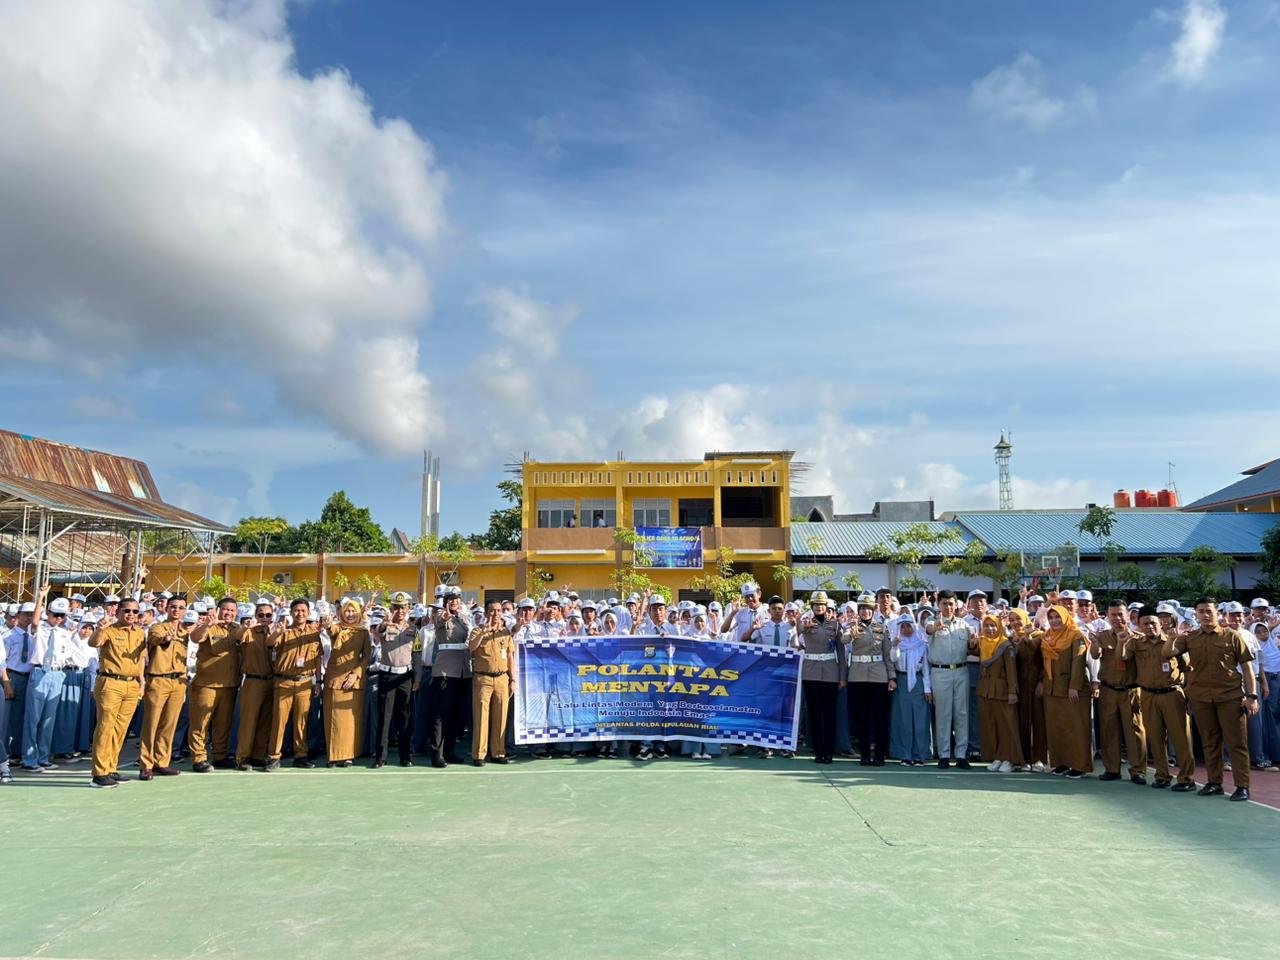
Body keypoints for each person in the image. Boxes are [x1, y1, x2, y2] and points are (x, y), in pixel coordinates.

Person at [1172, 598, 1259, 801]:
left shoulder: (1232, 636)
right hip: (1201, 698)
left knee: (1236, 743)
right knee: (1210, 742)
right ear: (1196, 614)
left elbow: (1247, 668)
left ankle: (1242, 786)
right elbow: (1168, 653)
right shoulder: (1190, 638)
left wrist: (1252, 696)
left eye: (1209, 611)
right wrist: (1172, 637)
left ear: (1217, 613)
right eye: (1200, 611)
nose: (1205, 614)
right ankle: (1214, 782)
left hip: (1230, 696)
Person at [1132, 605, 1196, 791]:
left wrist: (1189, 693)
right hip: (1148, 694)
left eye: (1153, 623)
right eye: (1145, 624)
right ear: (1139, 625)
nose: (1150, 627)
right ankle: (1162, 775)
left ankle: (1186, 778)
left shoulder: (1176, 641)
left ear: (1160, 623)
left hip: (1172, 693)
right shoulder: (1137, 644)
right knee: (1156, 737)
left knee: (1181, 737)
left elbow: (1188, 669)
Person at [87, 598, 147, 787]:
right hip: (111, 682)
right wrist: (100, 628)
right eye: (127, 610)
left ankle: (111, 767)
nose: (131, 614)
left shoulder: (139, 633)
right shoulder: (109, 630)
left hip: (131, 684)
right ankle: (99, 772)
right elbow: (93, 643)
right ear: (118, 612)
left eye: (135, 611)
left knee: (121, 729)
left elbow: (140, 660)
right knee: (105, 727)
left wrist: (142, 681)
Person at [1090, 599, 1148, 785]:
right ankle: (1112, 769)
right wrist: (1093, 643)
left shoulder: (1138, 637)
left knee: (1135, 731)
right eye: (1112, 615)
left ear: (1128, 616)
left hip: (1131, 690)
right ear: (1107, 616)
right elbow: (1094, 655)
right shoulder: (1102, 636)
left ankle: (1138, 770)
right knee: (1109, 730)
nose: (1116, 618)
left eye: (1120, 614)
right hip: (1108, 690)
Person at [264, 599, 326, 771]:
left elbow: (318, 659)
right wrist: (277, 633)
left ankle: (301, 755)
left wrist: (318, 681)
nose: (300, 613)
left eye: (303, 610)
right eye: (296, 610)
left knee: (301, 721)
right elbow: (269, 644)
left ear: (308, 613)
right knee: (279, 721)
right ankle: (273, 756)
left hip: (305, 682)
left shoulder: (314, 633)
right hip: (284, 681)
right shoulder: (284, 631)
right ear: (291, 613)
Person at [187, 596, 244, 772]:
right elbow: (195, 638)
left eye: (232, 611)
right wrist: (206, 625)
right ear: (218, 610)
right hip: (207, 684)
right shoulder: (208, 626)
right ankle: (198, 758)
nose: (229, 613)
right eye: (226, 609)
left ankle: (220, 755)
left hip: (229, 684)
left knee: (223, 723)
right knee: (201, 722)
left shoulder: (237, 629)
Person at [138, 596, 191, 780]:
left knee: (169, 724)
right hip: (158, 679)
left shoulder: (186, 630)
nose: (177, 610)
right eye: (173, 607)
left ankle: (162, 761)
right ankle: (146, 764)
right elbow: (155, 639)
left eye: (181, 607)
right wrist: (168, 637)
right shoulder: (158, 627)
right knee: (151, 723)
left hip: (178, 681)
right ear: (167, 608)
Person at [21, 589, 73, 772]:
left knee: (48, 720)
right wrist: (41, 597)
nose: (58, 619)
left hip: (57, 673)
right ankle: (29, 758)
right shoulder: (39, 628)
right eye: (55, 615)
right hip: (40, 672)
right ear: (48, 614)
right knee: (33, 718)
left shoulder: (65, 633)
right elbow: (34, 622)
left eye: (62, 616)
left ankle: (43, 757)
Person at [1038, 605, 1093, 779]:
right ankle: (1060, 763)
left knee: (1076, 728)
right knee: (1056, 728)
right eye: (1051, 617)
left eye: (1058, 617)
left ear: (1066, 618)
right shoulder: (1047, 637)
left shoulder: (1076, 636)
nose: (1054, 621)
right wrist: (1041, 682)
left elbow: (1079, 662)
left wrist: (1074, 686)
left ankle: (1079, 765)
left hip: (1072, 690)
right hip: (1052, 690)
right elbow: (1042, 662)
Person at [370, 591, 420, 768]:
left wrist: (417, 678)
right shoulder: (385, 626)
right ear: (391, 608)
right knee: (385, 717)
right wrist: (384, 624)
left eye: (403, 607)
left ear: (408, 609)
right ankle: (380, 757)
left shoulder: (413, 629)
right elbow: (378, 633)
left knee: (405, 718)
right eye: (396, 607)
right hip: (387, 676)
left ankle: (405, 756)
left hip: (405, 677)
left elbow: (417, 655)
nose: (400, 611)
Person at [925, 591, 974, 769]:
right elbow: (928, 629)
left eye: (951, 603)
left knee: (961, 713)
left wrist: (975, 641)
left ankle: (961, 754)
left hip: (961, 670)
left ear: (956, 605)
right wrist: (936, 627)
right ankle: (944, 754)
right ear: (939, 604)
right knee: (943, 714)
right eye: (944, 603)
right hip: (941, 672)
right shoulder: (932, 621)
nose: (948, 607)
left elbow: (973, 644)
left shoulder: (964, 625)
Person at [844, 594, 893, 766]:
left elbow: (887, 654)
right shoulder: (852, 626)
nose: (865, 611)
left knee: (879, 717)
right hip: (858, 676)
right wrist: (850, 633)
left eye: (868, 609)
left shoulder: (881, 628)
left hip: (878, 676)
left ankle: (879, 754)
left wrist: (891, 677)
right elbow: (844, 640)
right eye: (862, 608)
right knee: (861, 718)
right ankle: (864, 754)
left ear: (873, 610)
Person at [324, 597, 372, 768]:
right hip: (334, 679)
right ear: (342, 613)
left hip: (353, 681)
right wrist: (327, 622)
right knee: (332, 719)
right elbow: (330, 629)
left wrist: (355, 674)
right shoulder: (337, 628)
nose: (350, 614)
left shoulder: (363, 632)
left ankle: (348, 755)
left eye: (353, 611)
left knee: (351, 721)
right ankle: (333, 756)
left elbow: (366, 657)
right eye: (347, 611)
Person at [427, 586, 473, 767]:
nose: (454, 601)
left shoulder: (462, 618)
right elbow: (439, 621)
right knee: (441, 714)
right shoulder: (439, 614)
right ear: (445, 601)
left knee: (455, 714)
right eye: (450, 598)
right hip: (446, 670)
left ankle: (450, 750)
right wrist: (444, 615)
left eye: (457, 598)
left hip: (463, 670)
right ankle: (436, 753)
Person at [798, 591, 845, 765]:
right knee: (814, 714)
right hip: (811, 673)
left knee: (829, 715)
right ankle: (818, 751)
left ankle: (828, 751)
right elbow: (795, 634)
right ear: (812, 607)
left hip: (831, 674)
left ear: (826, 607)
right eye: (816, 605)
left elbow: (840, 651)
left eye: (822, 605)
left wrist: (842, 678)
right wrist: (804, 627)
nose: (819, 607)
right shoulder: (806, 623)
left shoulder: (835, 625)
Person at [468, 600, 516, 766]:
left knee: (501, 717)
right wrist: (484, 632)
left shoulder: (505, 632)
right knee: (481, 717)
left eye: (498, 611)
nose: (496, 614)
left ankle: (498, 752)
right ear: (487, 613)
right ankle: (479, 754)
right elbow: (471, 647)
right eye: (493, 611)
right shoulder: (477, 630)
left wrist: (513, 679)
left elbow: (510, 656)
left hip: (502, 678)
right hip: (483, 679)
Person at [234, 599, 277, 770]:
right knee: (248, 721)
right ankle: (243, 757)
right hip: (253, 681)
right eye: (261, 615)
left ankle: (258, 755)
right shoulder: (249, 632)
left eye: (268, 615)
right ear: (255, 616)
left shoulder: (275, 631)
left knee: (265, 721)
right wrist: (247, 626)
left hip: (271, 680)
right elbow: (238, 637)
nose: (265, 618)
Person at [976, 614, 1022, 773]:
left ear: (1000, 627)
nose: (989, 629)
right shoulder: (983, 644)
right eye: (986, 625)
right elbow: (970, 647)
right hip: (986, 691)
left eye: (993, 625)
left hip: (1002, 691)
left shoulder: (1005, 646)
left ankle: (1010, 758)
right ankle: (998, 756)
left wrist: (1012, 691)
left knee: (1006, 725)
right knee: (992, 725)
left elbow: (1011, 671)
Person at [889, 613, 932, 765]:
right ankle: (904, 754)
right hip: (901, 681)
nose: (906, 629)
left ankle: (920, 755)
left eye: (909, 626)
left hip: (919, 682)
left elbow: (926, 668)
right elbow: (893, 659)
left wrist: (928, 689)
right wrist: (894, 645)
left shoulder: (921, 643)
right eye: (903, 627)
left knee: (920, 720)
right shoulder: (897, 643)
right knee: (903, 720)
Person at [1008, 608, 1047, 772]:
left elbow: (1045, 660)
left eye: (1019, 618)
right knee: (1021, 721)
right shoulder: (1009, 639)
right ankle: (1022, 758)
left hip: (1035, 684)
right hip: (1019, 686)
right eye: (1012, 620)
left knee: (1037, 721)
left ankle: (1038, 758)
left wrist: (1041, 681)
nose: (1016, 622)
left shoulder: (1039, 636)